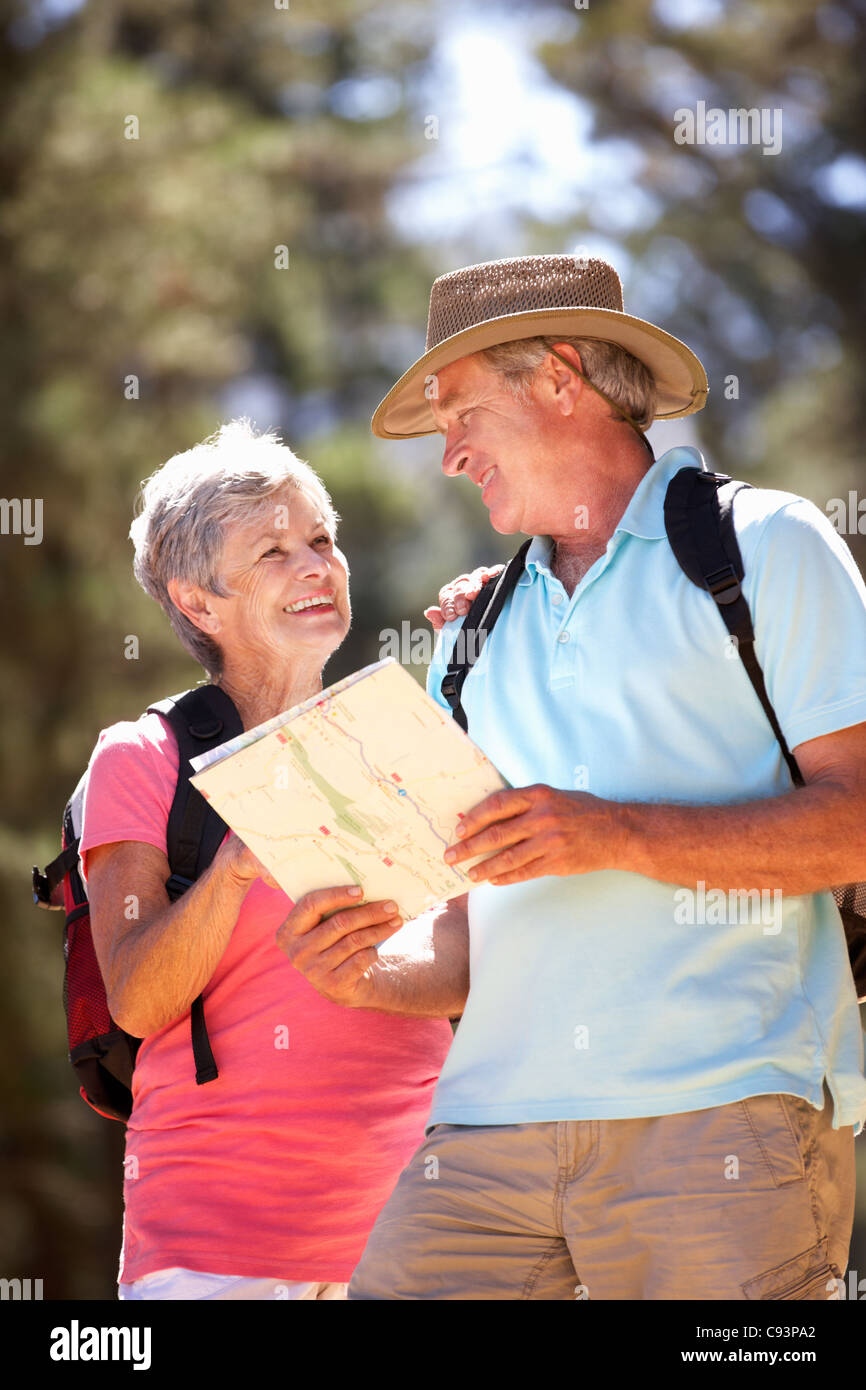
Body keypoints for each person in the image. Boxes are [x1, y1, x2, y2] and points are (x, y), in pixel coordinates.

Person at [277, 254, 866, 1300]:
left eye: (459, 412)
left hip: (721, 1116)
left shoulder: (766, 545)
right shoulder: (472, 637)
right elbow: (473, 927)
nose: (449, 457)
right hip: (483, 1136)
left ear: (557, 376)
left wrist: (615, 833)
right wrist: (365, 969)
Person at [80, 418, 455, 1300]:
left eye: (321, 539)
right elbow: (135, 998)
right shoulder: (144, 758)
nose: (316, 565)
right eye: (274, 551)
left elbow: (484, 965)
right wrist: (236, 866)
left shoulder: (403, 737)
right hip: (214, 1253)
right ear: (198, 602)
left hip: (425, 1243)